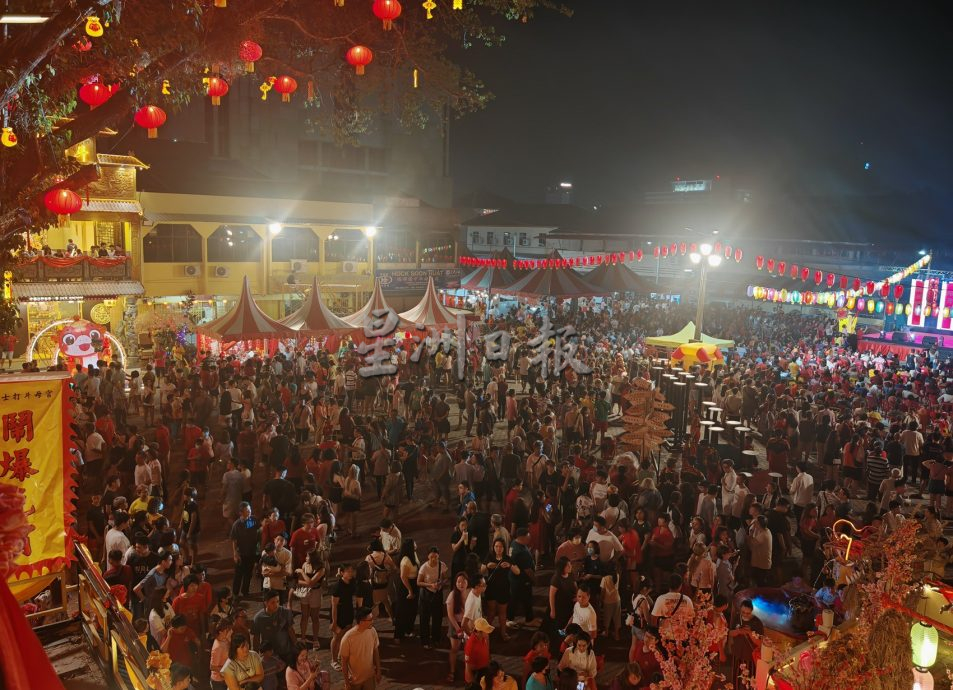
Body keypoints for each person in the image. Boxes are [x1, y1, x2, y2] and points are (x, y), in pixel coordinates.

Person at [339, 607, 381, 690]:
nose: (372, 621)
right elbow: (344, 662)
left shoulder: (372, 631)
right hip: (354, 681)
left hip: (369, 677)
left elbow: (375, 651)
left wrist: (378, 670)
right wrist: (347, 682)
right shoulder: (348, 638)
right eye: (370, 620)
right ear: (361, 622)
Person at [416, 546, 448, 650]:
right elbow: (418, 582)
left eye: (436, 557)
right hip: (426, 594)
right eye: (432, 557)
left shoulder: (441, 565)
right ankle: (424, 640)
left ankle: (436, 639)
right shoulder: (424, 567)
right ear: (428, 556)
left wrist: (441, 583)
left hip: (437, 593)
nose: (434, 559)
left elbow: (445, 578)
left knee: (437, 617)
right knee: (424, 617)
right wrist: (430, 585)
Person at [483, 536, 514, 641]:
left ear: (504, 548)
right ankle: (486, 632)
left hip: (504, 588)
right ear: (493, 547)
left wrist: (510, 566)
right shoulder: (490, 556)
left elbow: (517, 571)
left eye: (500, 546)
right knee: (491, 612)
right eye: (496, 546)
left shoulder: (507, 558)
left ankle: (503, 633)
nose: (498, 548)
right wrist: (487, 565)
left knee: (502, 612)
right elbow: (482, 569)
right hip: (491, 588)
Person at [252, 590, 297, 662]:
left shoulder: (285, 612)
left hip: (285, 651)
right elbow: (256, 638)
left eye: (278, 601)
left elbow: (290, 630)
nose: (276, 605)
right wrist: (256, 655)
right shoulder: (258, 618)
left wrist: (296, 646)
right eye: (272, 602)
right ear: (266, 603)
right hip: (269, 654)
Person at [295, 549, 327, 646]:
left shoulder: (321, 569)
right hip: (305, 592)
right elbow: (299, 581)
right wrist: (308, 583)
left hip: (316, 593)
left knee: (314, 617)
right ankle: (303, 637)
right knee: (304, 616)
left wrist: (302, 572)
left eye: (308, 556)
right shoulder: (305, 565)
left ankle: (315, 639)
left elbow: (311, 582)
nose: (306, 558)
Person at [330, 563, 358, 672]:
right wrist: (334, 622)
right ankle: (333, 660)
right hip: (339, 614)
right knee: (336, 638)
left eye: (351, 571)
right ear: (342, 573)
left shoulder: (351, 582)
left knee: (346, 636)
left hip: (349, 612)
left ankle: (341, 656)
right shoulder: (337, 587)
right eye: (348, 571)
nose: (351, 573)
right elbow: (334, 606)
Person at [230, 502, 260, 600]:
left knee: (248, 573)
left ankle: (245, 591)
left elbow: (259, 529)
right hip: (241, 553)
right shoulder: (237, 525)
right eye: (247, 510)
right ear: (241, 513)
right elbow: (234, 540)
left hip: (251, 552)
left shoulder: (254, 520)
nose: (249, 511)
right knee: (238, 574)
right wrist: (235, 553)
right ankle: (235, 593)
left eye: (250, 509)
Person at [394, 538, 419, 641]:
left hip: (414, 583)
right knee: (402, 611)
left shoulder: (413, 554)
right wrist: (410, 590)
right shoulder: (405, 560)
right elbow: (403, 577)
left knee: (412, 609)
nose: (416, 544)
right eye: (414, 543)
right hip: (406, 585)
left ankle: (408, 630)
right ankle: (398, 635)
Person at [464, 617, 493, 683]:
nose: (487, 633)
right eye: (486, 631)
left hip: (483, 671)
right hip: (476, 675)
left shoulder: (483, 638)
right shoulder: (471, 645)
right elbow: (468, 668)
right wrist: (473, 685)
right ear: (479, 632)